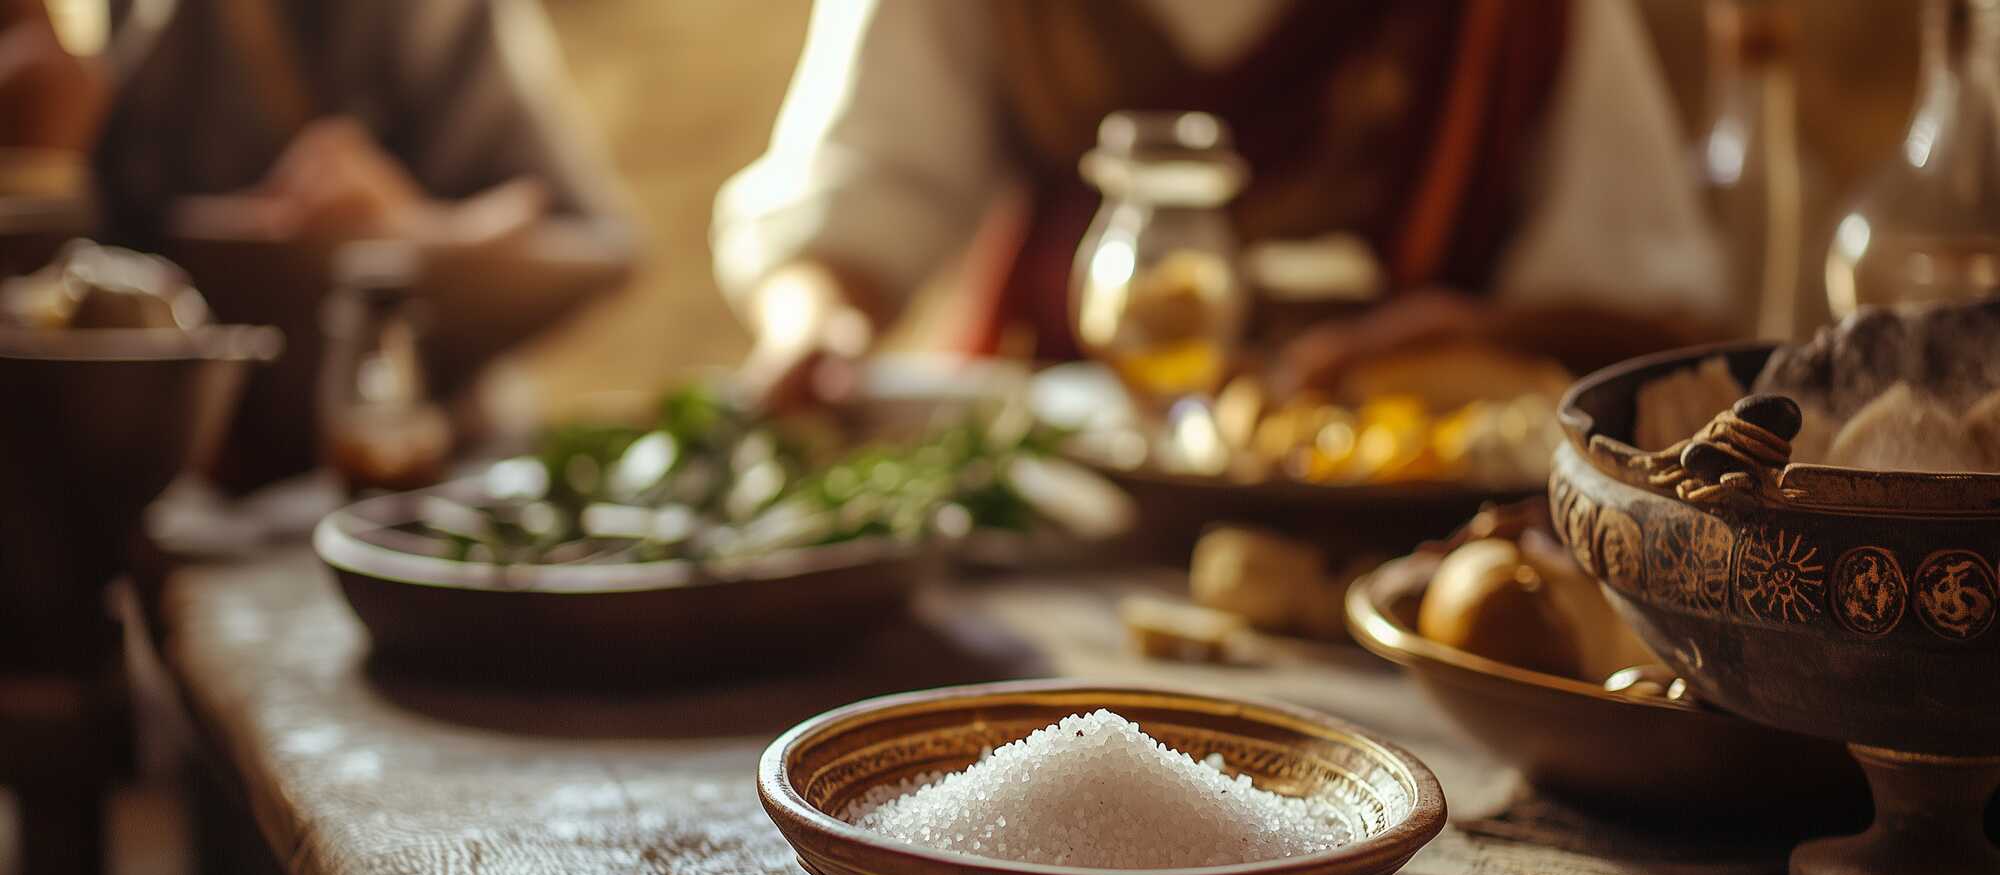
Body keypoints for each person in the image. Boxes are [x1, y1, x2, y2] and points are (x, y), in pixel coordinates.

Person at [714, 0, 1728, 409]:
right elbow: (858, 190)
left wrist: (1473, 341)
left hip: (1397, 539)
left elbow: (1643, 306)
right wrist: (816, 331)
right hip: (1062, 505)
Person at [2, 0, 638, 487]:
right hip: (166, 510)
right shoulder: (75, 32)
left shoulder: (406, 16)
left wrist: (418, 234)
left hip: (417, 481)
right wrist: (37, 176)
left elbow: (602, 246)